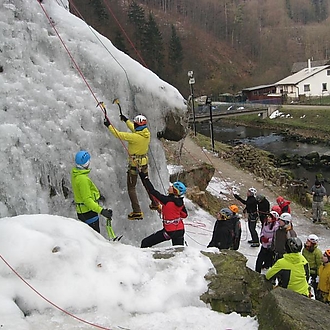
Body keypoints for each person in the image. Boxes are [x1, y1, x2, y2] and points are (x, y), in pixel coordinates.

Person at [103, 114, 159, 220]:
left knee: (131, 187)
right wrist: (126, 120)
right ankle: (155, 202)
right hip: (144, 163)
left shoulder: (134, 137)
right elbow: (135, 128)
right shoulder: (146, 133)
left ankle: (137, 211)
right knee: (146, 184)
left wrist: (109, 125)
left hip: (135, 165)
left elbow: (118, 134)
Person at [139, 171, 187, 248]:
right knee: (179, 252)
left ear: (175, 191)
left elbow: (152, 191)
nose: (170, 187)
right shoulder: (181, 202)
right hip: (180, 230)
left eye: (172, 187)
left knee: (145, 242)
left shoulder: (166, 200)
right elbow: (184, 215)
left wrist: (145, 178)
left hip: (169, 231)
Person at [71, 151, 113, 233]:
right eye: (88, 161)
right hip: (88, 213)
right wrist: (102, 211)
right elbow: (87, 200)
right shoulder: (82, 179)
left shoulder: (75, 173)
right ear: (85, 163)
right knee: (94, 237)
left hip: (82, 212)